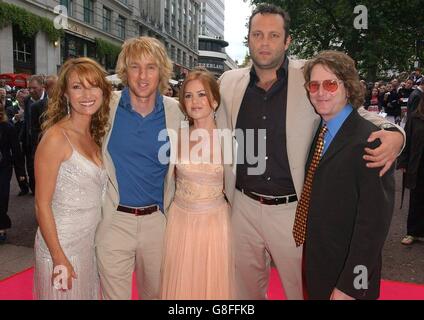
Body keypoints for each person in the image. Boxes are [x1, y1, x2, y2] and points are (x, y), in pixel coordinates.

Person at [217, 3, 405, 300]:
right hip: (242, 207)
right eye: (257, 34)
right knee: (244, 293)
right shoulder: (229, 83)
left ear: (287, 40)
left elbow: (354, 112)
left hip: (293, 211)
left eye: (273, 35)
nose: (264, 42)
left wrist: (397, 135)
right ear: (248, 38)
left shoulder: (309, 77)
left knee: (302, 291)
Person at [301, 51, 394, 300]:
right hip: (319, 268)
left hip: (348, 279)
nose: (321, 92)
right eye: (314, 85)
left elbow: (374, 225)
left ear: (348, 87)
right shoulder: (319, 132)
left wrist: (351, 286)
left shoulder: (372, 141)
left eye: (330, 84)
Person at [95, 36, 183, 300]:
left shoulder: (178, 112)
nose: (143, 76)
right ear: (124, 71)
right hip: (114, 221)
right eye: (135, 67)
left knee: (156, 296)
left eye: (151, 67)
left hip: (158, 222)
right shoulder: (105, 106)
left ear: (162, 72)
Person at [33, 57, 111, 299]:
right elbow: (41, 204)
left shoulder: (96, 135)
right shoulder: (56, 137)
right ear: (65, 93)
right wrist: (58, 257)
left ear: (103, 91)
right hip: (61, 245)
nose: (87, 93)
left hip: (88, 245)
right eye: (77, 87)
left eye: (93, 85)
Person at [160, 69, 233, 300]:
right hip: (179, 222)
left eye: (202, 94)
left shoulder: (230, 139)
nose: (195, 101)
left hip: (215, 225)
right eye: (189, 96)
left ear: (214, 99)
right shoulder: (175, 136)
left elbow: (237, 187)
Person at [397, 97, 424, 245]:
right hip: (418, 165)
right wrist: (403, 162)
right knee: (416, 199)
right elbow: (406, 140)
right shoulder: (415, 118)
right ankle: (412, 232)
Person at [0, 98, 26, 242]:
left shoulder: (7, 127)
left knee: (1, 197)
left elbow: (16, 151)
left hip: (3, 168)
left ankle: (2, 227)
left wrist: (21, 173)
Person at [23, 75, 48, 194]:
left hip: (47, 145)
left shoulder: (51, 100)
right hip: (30, 143)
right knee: (32, 172)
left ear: (42, 86)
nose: (31, 91)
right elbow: (28, 121)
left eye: (34, 88)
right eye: (29, 88)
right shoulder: (27, 100)